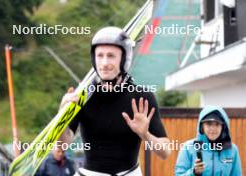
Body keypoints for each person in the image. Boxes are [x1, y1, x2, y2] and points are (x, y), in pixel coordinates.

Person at [59, 26, 170, 176]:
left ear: (124, 59)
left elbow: (165, 152)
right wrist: (62, 116)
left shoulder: (141, 97)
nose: (104, 63)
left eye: (111, 56)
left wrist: (145, 135)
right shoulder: (83, 96)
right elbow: (62, 145)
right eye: (100, 55)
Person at [175, 106, 242, 176]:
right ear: (202, 126)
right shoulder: (188, 147)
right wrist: (194, 172)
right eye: (209, 124)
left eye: (217, 124)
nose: (213, 128)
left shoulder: (232, 150)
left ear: (223, 127)